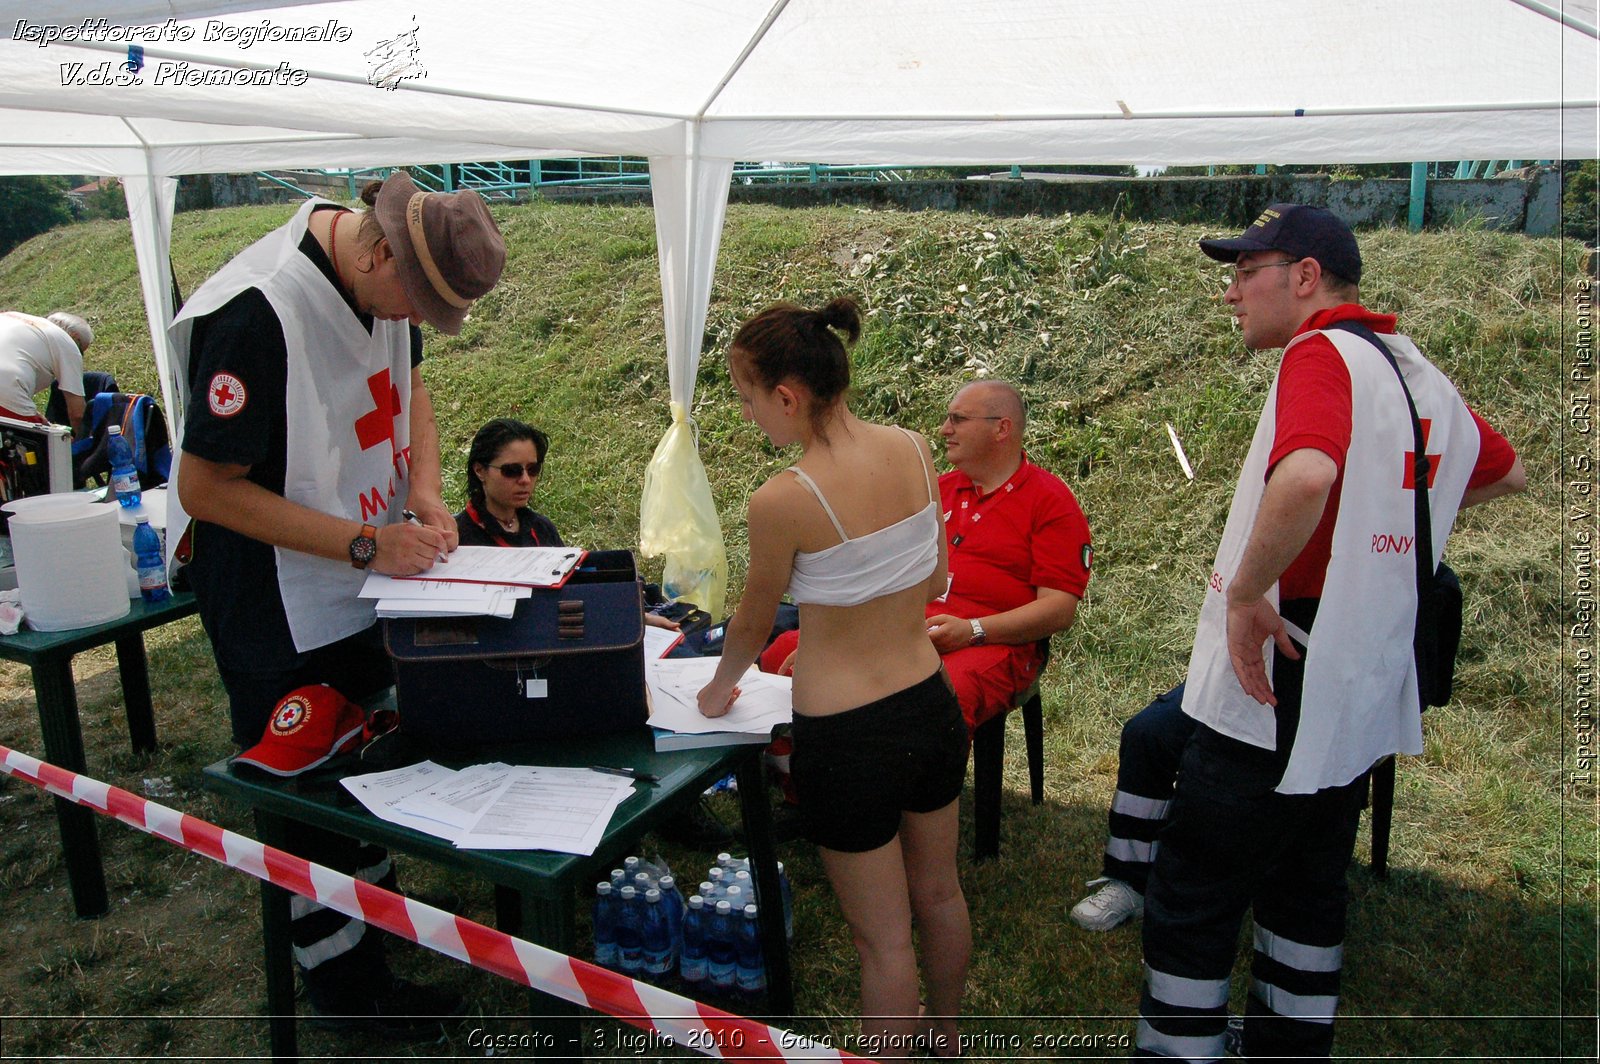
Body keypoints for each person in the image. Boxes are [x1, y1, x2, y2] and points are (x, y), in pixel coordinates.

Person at [1135, 204, 1524, 1060]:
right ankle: (1288, 1047)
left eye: (1245, 272)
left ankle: (1175, 1048)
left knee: (1197, 878)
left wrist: (1244, 592)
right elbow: (1503, 469)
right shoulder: (1410, 364)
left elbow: (1308, 473)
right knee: (1308, 879)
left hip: (1284, 653)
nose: (1230, 293)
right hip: (1357, 663)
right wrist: (1386, 518)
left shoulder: (1320, 352)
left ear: (1304, 277)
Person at [170, 171, 504, 1035]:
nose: (410, 324)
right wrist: (366, 543)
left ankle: (372, 944)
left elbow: (411, 392)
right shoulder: (251, 312)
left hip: (362, 572)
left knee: (359, 769)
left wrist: (426, 492)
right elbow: (206, 489)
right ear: (379, 246)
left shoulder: (385, 285)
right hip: (273, 598)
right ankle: (344, 991)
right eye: (415, 302)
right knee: (300, 784)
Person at [697, 298, 969, 1058]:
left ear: (787, 396)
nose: (750, 418)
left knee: (883, 943)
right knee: (940, 893)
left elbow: (753, 623)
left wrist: (719, 688)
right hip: (929, 702)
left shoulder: (783, 499)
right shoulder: (916, 448)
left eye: (748, 401)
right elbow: (937, 574)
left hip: (848, 737)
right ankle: (945, 1038)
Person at [761, 379, 1092, 737]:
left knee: (942, 693)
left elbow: (1059, 610)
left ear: (1002, 428)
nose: (944, 429)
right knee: (787, 650)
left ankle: (917, 789)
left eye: (959, 419)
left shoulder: (1050, 501)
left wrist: (973, 631)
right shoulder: (938, 487)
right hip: (905, 626)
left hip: (996, 641)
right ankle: (798, 777)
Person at [454, 417, 563, 547]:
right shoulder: (457, 537)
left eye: (533, 469)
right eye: (512, 470)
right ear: (480, 471)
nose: (525, 480)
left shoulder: (542, 529)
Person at [0, 310, 91, 430]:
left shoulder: (16, 318)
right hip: (7, 389)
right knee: (34, 442)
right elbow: (77, 414)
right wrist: (83, 443)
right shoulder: (67, 344)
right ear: (75, 337)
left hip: (7, 389)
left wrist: (35, 416)